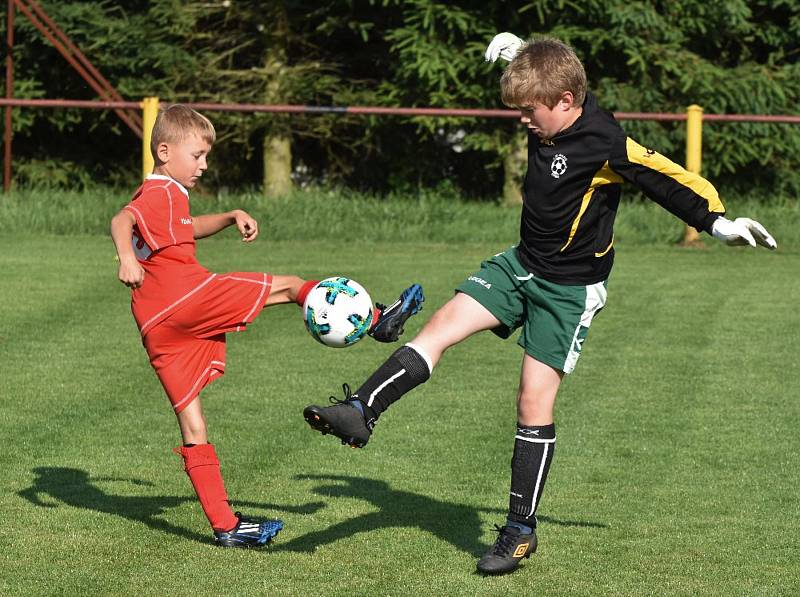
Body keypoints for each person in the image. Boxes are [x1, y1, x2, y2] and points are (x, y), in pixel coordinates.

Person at [302, 35, 777, 574]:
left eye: (530, 111)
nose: (524, 120)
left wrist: (718, 222)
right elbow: (550, 68)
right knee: (440, 326)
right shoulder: (551, 94)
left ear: (568, 103)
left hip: (568, 291)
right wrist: (520, 51)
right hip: (520, 263)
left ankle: (519, 531)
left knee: (532, 401)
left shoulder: (605, 141)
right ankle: (361, 410)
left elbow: (668, 178)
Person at [110, 104, 424, 548]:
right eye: (197, 155)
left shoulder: (171, 195)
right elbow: (122, 218)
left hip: (155, 324)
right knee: (290, 286)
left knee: (193, 425)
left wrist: (228, 216)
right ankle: (377, 321)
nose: (204, 164)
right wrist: (125, 256)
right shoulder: (158, 191)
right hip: (184, 296)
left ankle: (226, 526)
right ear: (164, 151)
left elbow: (185, 227)